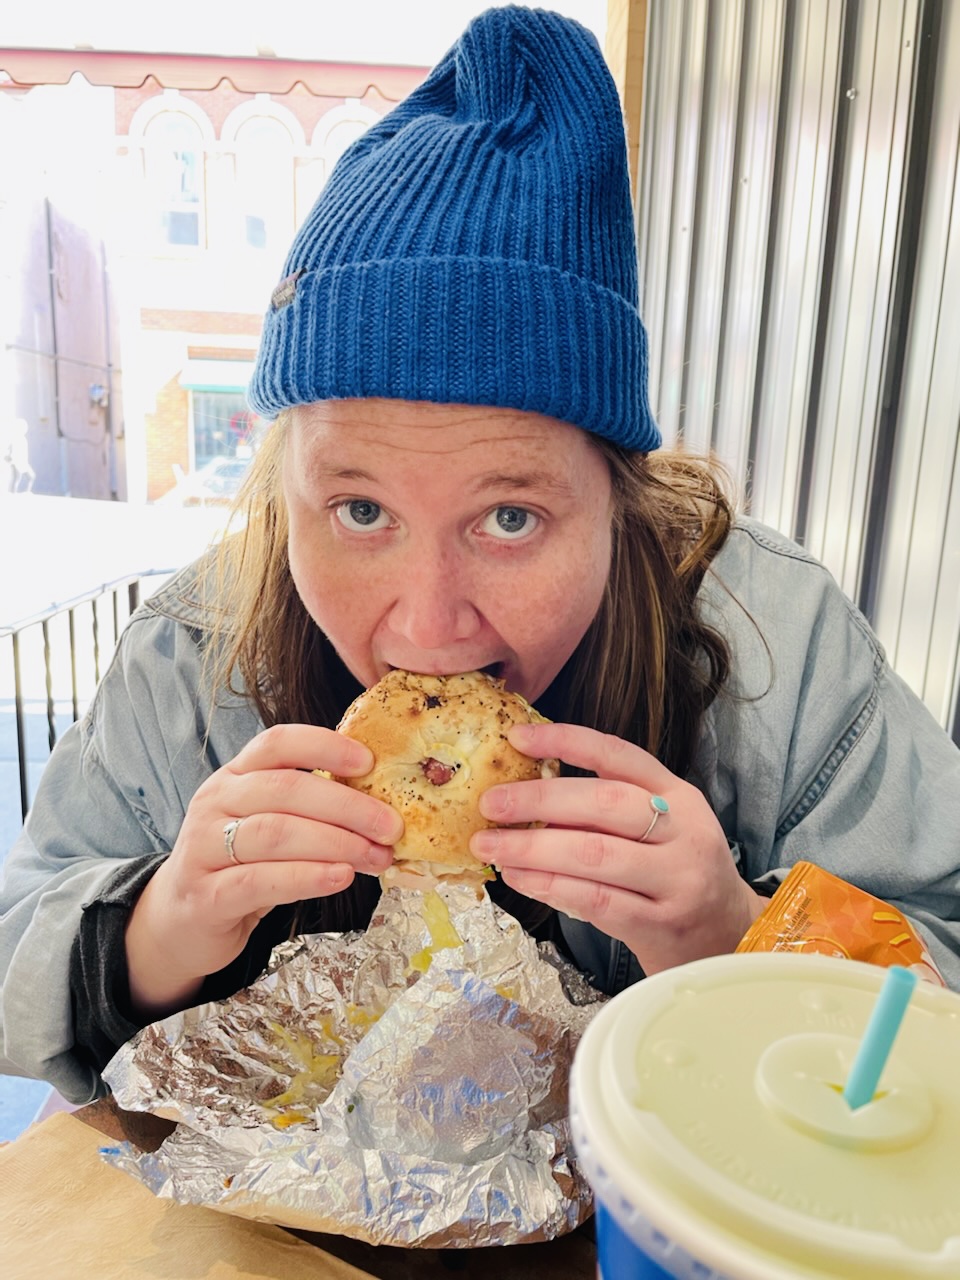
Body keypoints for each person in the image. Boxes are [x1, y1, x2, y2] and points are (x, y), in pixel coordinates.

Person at [1, 6, 958, 1107]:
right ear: (283, 491)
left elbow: (941, 962)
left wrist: (738, 932)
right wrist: (155, 926)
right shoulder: (192, 657)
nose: (426, 624)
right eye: (360, 510)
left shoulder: (772, 641)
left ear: (621, 500)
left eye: (510, 518)